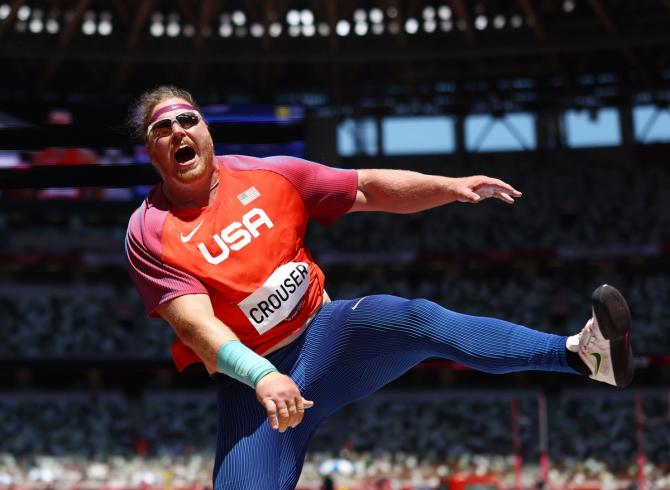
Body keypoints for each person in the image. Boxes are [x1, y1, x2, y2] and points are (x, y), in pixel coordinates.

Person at [125, 85, 634, 490]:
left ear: (206, 130)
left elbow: (365, 186)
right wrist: (261, 376)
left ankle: (580, 354)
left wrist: (448, 188)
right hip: (254, 388)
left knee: (415, 317)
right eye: (162, 128)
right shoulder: (149, 230)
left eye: (186, 119)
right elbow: (196, 326)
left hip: (330, 338)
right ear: (153, 150)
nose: (177, 131)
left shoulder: (273, 175)